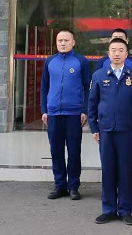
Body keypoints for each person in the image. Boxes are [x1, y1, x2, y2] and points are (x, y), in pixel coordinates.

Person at [88, 38, 132, 225]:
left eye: (121, 50)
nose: (117, 53)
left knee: (125, 171)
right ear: (108, 53)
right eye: (113, 50)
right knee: (108, 170)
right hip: (105, 130)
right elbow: (92, 103)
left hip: (127, 131)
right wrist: (94, 127)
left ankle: (125, 210)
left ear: (127, 54)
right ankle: (108, 209)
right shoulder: (99, 75)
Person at [40, 29, 92, 201]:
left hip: (74, 113)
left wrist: (84, 110)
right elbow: (44, 87)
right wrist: (44, 110)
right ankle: (60, 185)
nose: (63, 43)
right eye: (60, 40)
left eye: (66, 40)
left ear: (73, 42)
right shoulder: (50, 61)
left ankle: (74, 186)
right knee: (56, 151)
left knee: (74, 151)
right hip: (54, 112)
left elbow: (87, 87)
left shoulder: (81, 61)